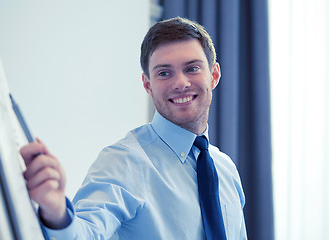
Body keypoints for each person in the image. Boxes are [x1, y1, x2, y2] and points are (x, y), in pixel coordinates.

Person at [20, 17, 247, 239]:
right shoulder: (124, 161)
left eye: (192, 68)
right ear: (148, 85)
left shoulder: (226, 170)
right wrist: (57, 211)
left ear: (214, 75)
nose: (180, 83)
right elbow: (84, 233)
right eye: (164, 73)